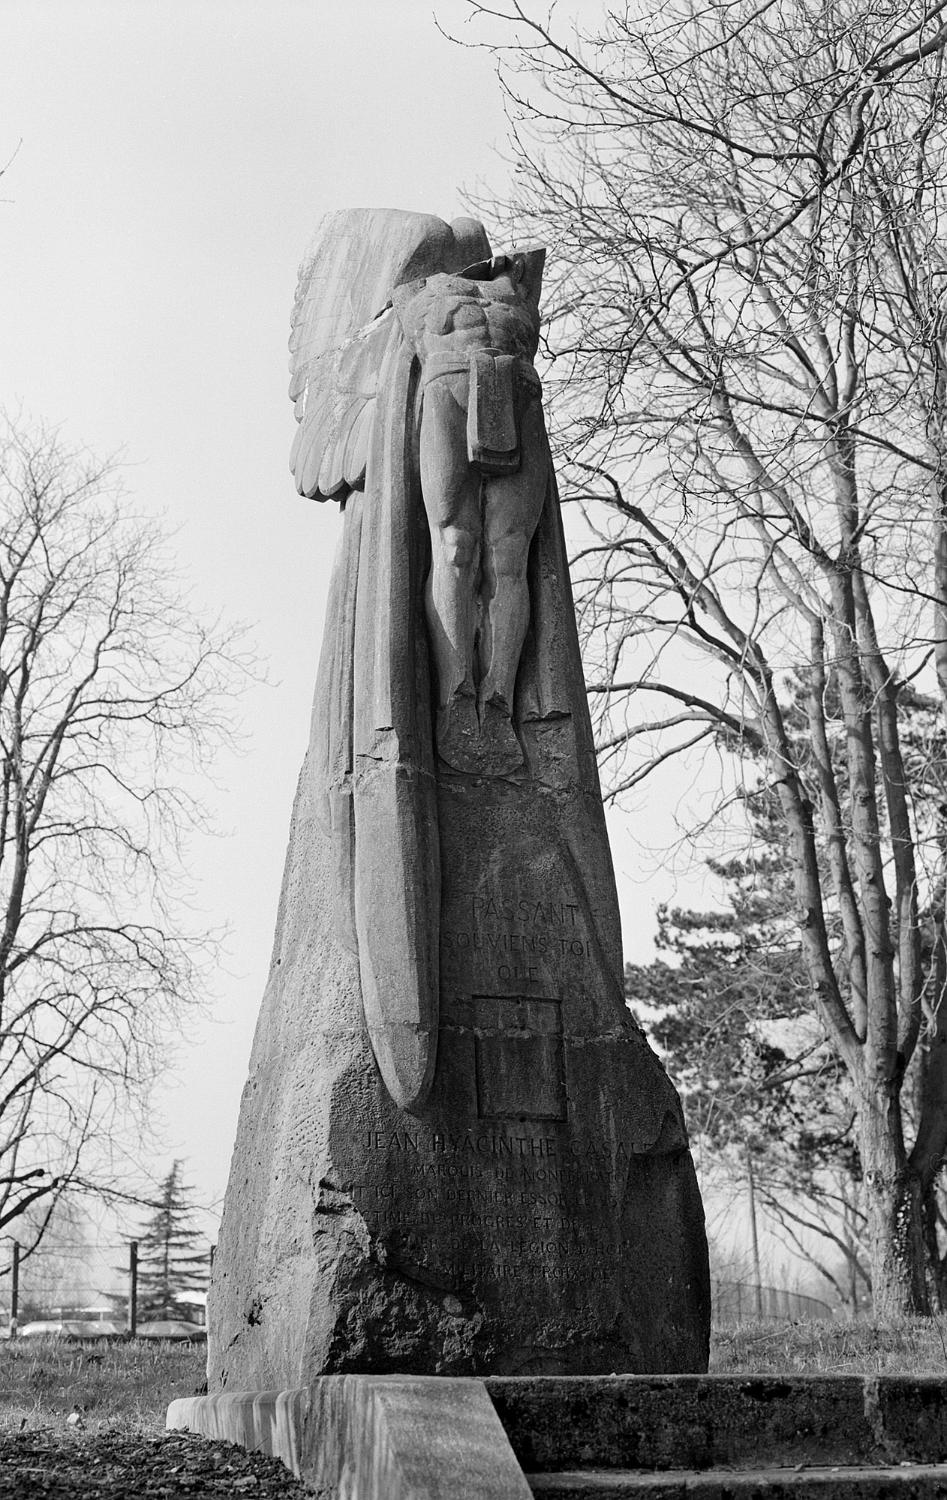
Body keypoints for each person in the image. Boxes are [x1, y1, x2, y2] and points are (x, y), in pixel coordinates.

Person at [393, 246, 548, 772]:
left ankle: (499, 695)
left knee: (509, 558)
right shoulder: (418, 290)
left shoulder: (519, 286)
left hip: (517, 393)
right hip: (448, 388)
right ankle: (456, 692)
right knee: (456, 544)